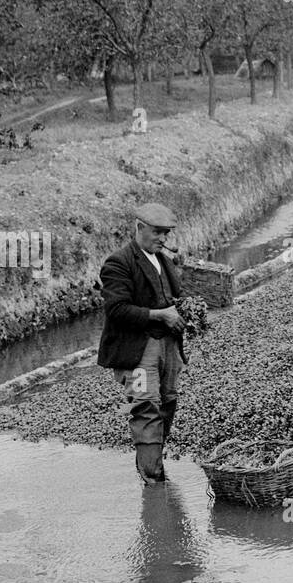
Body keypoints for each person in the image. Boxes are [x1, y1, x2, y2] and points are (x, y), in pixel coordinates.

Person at [97, 202, 188, 484]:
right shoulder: (119, 263)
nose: (163, 239)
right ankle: (152, 479)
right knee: (145, 406)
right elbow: (117, 310)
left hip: (168, 345)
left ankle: (154, 462)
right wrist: (161, 314)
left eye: (166, 234)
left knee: (168, 402)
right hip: (137, 350)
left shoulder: (164, 261)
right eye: (157, 233)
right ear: (139, 228)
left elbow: (177, 295)